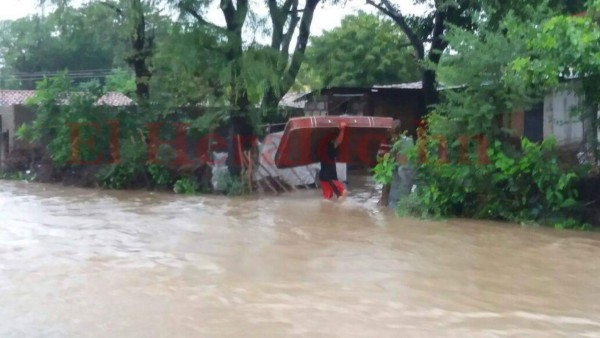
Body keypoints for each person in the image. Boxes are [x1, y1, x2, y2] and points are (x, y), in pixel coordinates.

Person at [318, 121, 348, 200]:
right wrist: (342, 130)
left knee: (327, 198)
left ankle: (325, 211)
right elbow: (339, 140)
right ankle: (340, 211)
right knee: (343, 193)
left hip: (322, 177)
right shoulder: (329, 147)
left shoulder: (321, 147)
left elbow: (338, 141)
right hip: (329, 178)